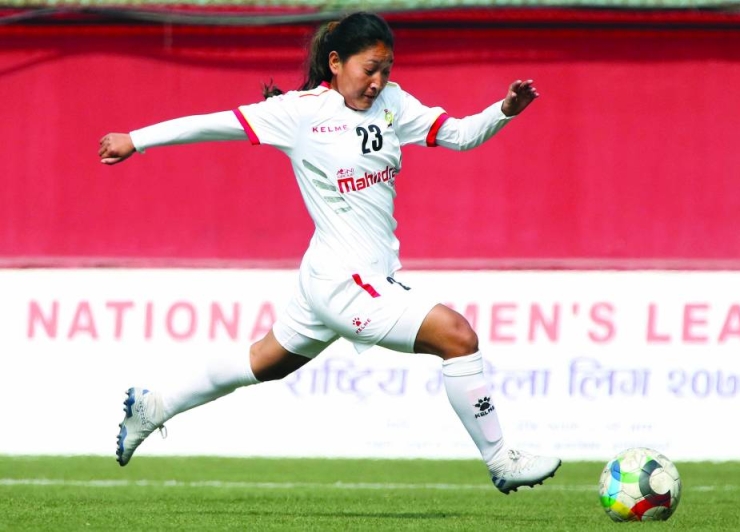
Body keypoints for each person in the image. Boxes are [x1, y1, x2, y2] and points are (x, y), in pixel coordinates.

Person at [99, 11, 560, 494]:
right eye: (369, 69)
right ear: (336, 63)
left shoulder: (394, 103)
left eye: (386, 70)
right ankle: (501, 459)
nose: (378, 81)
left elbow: (461, 135)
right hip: (345, 282)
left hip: (333, 273)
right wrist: (136, 141)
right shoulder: (300, 113)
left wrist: (504, 110)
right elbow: (210, 125)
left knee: (262, 363)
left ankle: (153, 407)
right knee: (458, 337)